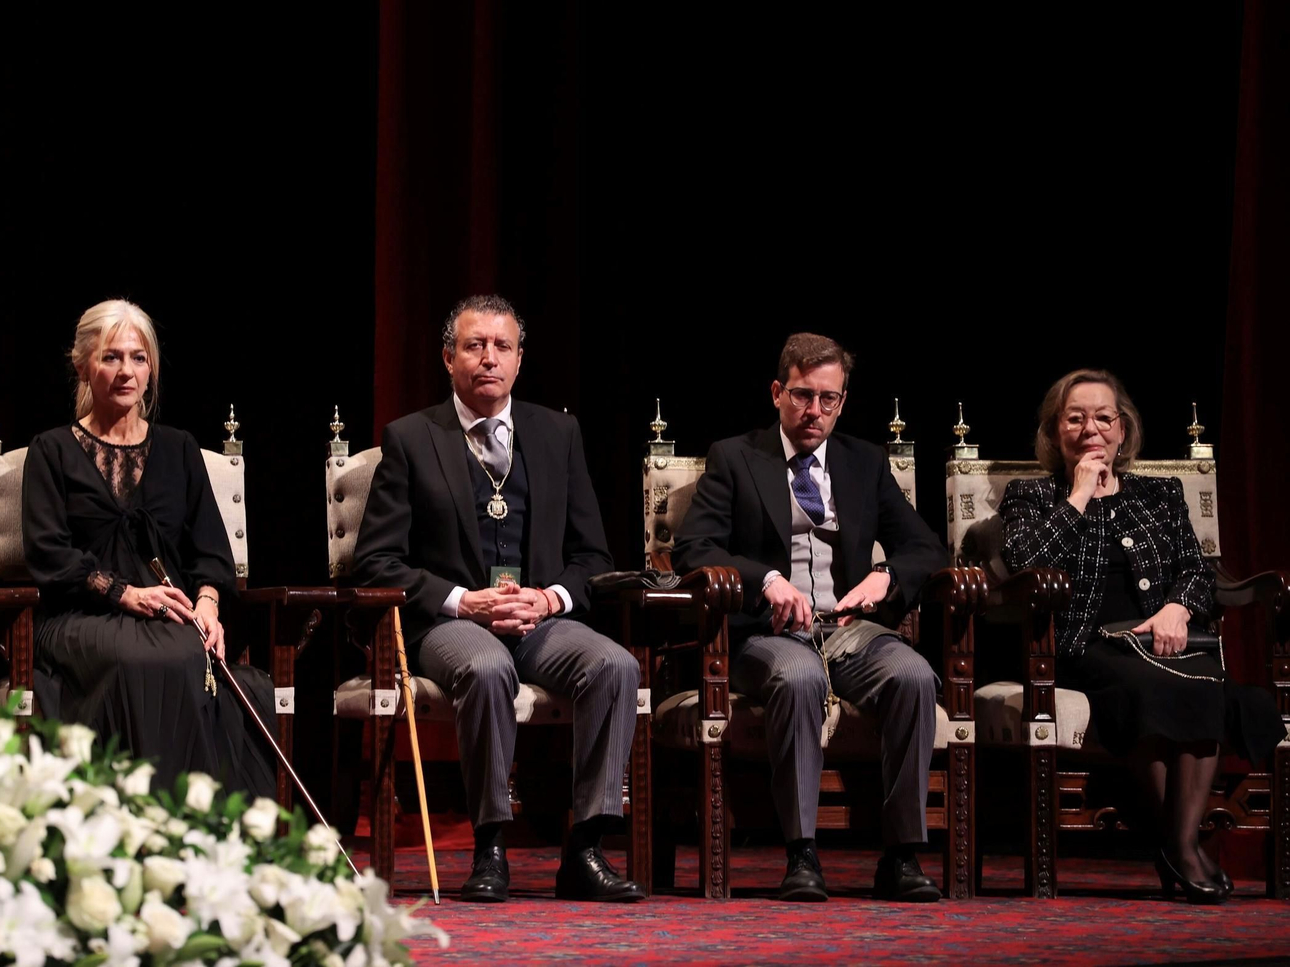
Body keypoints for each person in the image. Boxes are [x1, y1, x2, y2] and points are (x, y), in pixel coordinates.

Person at [355, 294, 644, 902]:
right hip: (451, 622)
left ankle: (584, 847)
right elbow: (378, 561)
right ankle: (489, 845)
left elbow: (593, 557)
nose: (489, 358)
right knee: (486, 668)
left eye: (502, 346)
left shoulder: (558, 432)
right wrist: (466, 601)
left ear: (518, 360)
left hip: (541, 621)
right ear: (448, 357)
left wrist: (549, 599)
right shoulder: (410, 438)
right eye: (474, 345)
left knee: (615, 664)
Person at [673, 332, 946, 902]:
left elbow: (924, 549)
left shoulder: (863, 462)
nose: (814, 411)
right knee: (799, 678)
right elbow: (694, 548)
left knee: (915, 676)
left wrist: (886, 576)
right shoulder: (736, 457)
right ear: (777, 392)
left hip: (851, 630)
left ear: (842, 402)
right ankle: (801, 853)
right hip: (766, 635)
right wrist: (766, 581)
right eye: (801, 395)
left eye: (828, 399)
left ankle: (900, 855)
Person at [1000, 368, 1286, 904]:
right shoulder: (1032, 496)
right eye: (1076, 417)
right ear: (1054, 430)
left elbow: (1200, 571)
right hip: (1086, 646)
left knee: (1201, 687)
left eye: (1104, 417)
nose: (1092, 429)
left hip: (1165, 644)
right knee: (1151, 691)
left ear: (1123, 429)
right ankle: (1185, 846)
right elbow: (1026, 564)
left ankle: (1174, 846)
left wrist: (1179, 607)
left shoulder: (1160, 494)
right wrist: (1079, 497)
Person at [21, 299, 274, 796]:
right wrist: (125, 594)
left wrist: (208, 606)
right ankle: (133, 824)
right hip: (82, 615)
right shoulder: (51, 450)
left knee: (185, 656)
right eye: (111, 357)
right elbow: (49, 552)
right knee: (145, 660)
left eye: (138, 358)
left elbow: (211, 552)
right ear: (82, 365)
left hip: (170, 614)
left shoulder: (179, 448)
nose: (126, 372)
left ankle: (191, 829)